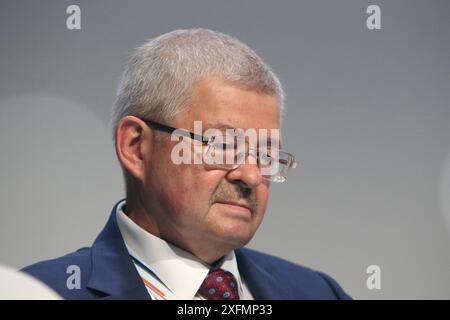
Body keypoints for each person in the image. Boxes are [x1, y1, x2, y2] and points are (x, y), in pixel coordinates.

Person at [22, 28, 351, 300]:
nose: (251, 175)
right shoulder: (37, 294)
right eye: (223, 145)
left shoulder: (318, 292)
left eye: (266, 154)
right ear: (136, 147)